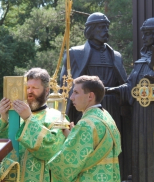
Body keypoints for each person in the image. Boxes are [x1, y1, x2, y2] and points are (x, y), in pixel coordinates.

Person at [60, 12, 129, 179]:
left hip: (110, 110)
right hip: (84, 108)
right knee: (82, 148)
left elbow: (126, 84)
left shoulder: (116, 56)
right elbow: (64, 85)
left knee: (110, 151)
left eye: (107, 26)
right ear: (90, 30)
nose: (105, 30)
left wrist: (115, 91)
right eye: (101, 27)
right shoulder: (75, 53)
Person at [0, 68, 66, 182]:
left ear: (46, 91)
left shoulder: (57, 117)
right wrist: (4, 119)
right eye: (27, 88)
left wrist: (28, 118)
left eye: (34, 88)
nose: (30, 91)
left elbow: (50, 150)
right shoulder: (16, 118)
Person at [106, 17, 154, 182]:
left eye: (148, 34)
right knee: (140, 148)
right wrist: (111, 90)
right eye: (144, 34)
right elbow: (130, 86)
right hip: (140, 116)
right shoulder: (141, 62)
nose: (144, 38)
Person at [48, 75, 121, 182]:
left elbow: (66, 164)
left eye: (76, 92)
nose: (71, 97)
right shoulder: (106, 117)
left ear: (90, 96)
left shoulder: (86, 124)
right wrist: (73, 136)